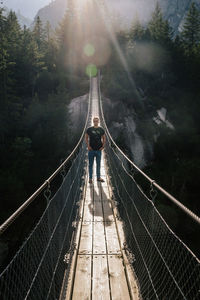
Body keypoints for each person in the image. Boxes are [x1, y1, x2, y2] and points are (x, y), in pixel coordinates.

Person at [85, 116, 106, 184]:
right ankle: (90, 178)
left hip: (98, 150)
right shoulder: (89, 129)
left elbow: (104, 138)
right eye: (94, 121)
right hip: (91, 150)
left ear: (98, 122)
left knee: (98, 164)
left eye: (97, 121)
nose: (95, 122)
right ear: (93, 121)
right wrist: (88, 146)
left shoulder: (101, 129)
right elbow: (86, 137)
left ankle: (98, 177)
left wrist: (103, 146)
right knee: (90, 164)